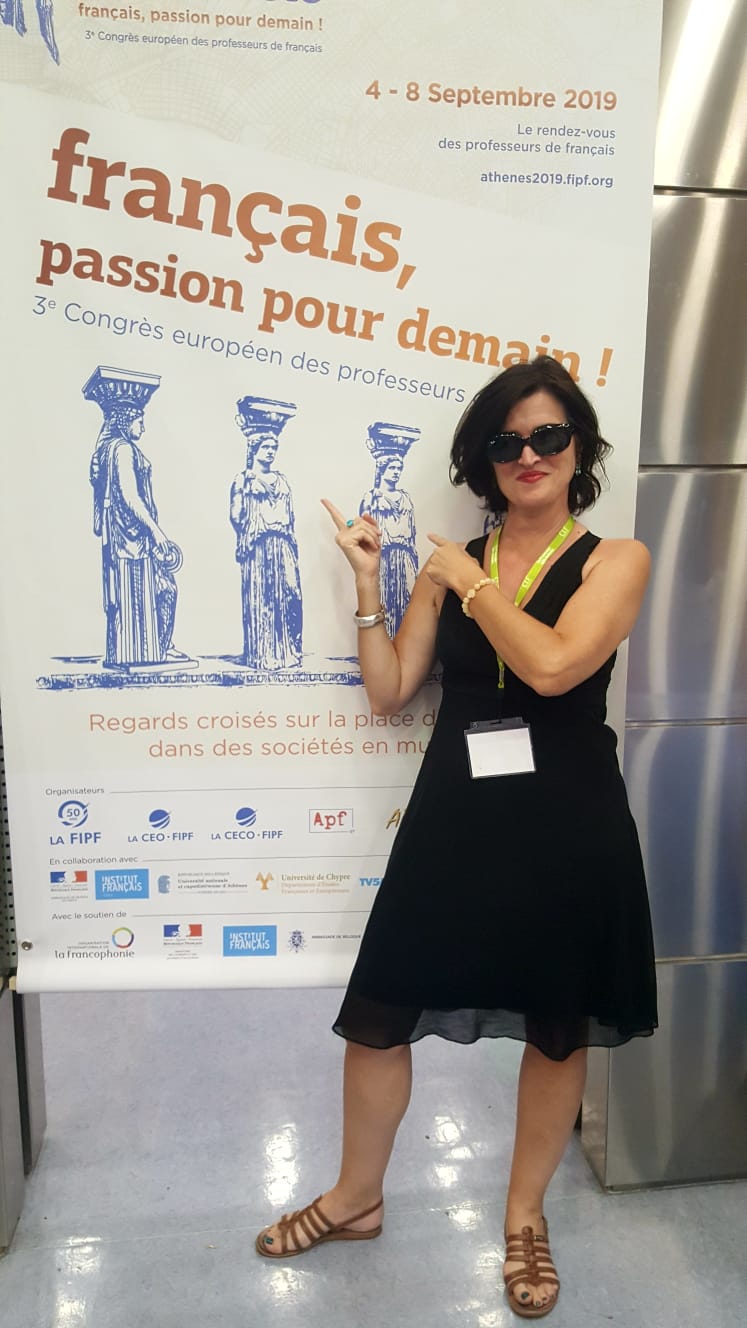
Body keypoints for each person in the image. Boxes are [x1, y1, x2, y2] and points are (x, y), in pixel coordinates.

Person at [255, 357, 658, 1318]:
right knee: (380, 1009)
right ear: (484, 459)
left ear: (578, 449)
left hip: (568, 823)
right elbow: (391, 689)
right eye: (506, 441)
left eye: (547, 436)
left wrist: (470, 584)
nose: (527, 454)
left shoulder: (614, 559)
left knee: (556, 1026)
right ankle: (355, 1198)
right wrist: (369, 584)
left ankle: (523, 1220)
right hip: (456, 812)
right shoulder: (449, 563)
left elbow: (553, 668)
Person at [86, 368, 184, 669]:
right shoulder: (123, 449)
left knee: (154, 590)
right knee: (164, 589)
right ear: (125, 420)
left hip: (128, 537)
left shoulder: (112, 448)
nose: (143, 426)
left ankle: (151, 648)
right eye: (140, 420)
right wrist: (157, 532)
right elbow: (130, 496)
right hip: (133, 537)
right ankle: (153, 649)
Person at [230, 396, 303, 670]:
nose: (271, 451)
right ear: (254, 448)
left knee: (290, 594)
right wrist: (254, 525)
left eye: (274, 447)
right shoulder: (243, 480)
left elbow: (290, 515)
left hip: (282, 543)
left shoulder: (281, 481)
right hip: (258, 546)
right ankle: (264, 654)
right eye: (266, 447)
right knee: (263, 598)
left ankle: (287, 651)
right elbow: (236, 515)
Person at [359, 422, 420, 635]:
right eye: (392, 468)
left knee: (406, 601)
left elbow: (411, 534)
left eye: (399, 469)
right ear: (382, 468)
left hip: (404, 557)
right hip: (384, 557)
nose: (396, 473)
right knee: (384, 600)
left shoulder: (405, 499)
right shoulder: (372, 498)